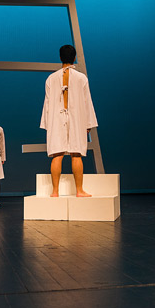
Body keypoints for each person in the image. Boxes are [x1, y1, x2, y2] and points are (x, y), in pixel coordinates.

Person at [40, 44, 98, 198]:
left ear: (60, 58)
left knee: (57, 154)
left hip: (56, 119)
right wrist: (88, 124)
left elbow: (47, 104)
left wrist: (47, 124)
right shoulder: (81, 78)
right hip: (76, 118)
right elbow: (87, 102)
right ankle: (79, 190)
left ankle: (55, 191)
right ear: (74, 58)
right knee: (76, 154)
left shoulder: (51, 78)